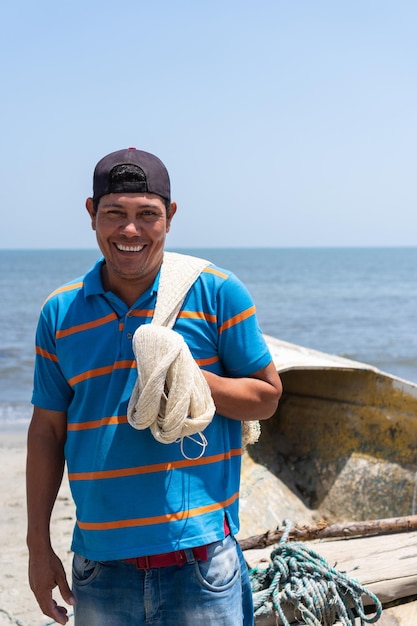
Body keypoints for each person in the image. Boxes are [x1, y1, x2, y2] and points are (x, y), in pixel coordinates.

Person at [26, 147, 282, 626]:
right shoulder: (59, 313)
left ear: (171, 217)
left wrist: (188, 376)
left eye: (147, 214)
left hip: (201, 562)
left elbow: (266, 398)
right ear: (91, 214)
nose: (130, 230)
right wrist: (37, 546)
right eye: (115, 214)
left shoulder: (217, 292)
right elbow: (46, 433)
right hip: (100, 567)